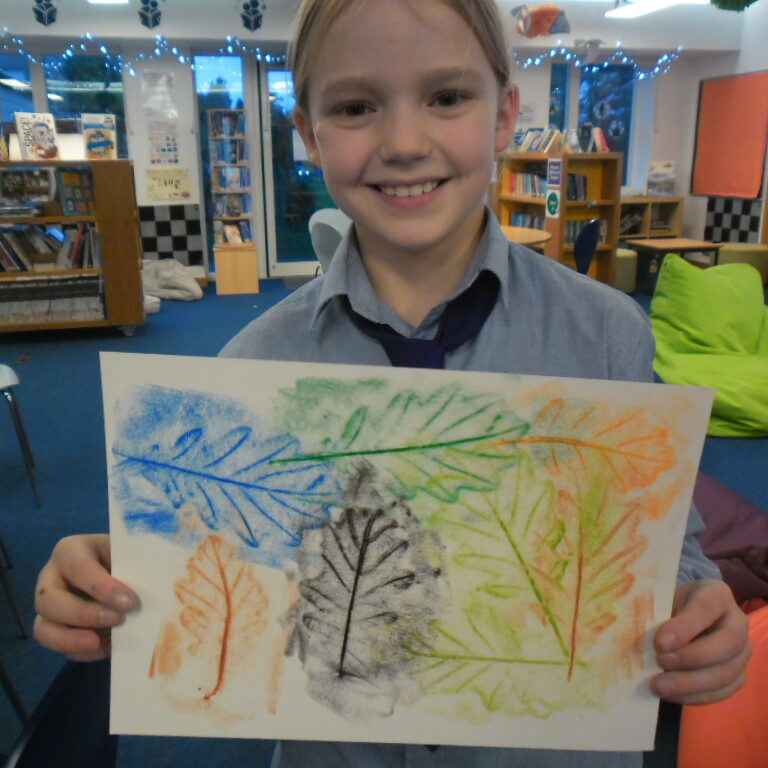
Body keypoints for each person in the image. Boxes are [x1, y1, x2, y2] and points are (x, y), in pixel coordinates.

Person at [34, 1, 751, 766]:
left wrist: (698, 608)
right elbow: (221, 562)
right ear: (309, 135)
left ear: (505, 115)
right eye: (355, 107)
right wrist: (123, 580)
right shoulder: (251, 366)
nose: (405, 144)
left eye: (447, 97)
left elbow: (665, 544)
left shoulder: (605, 335)